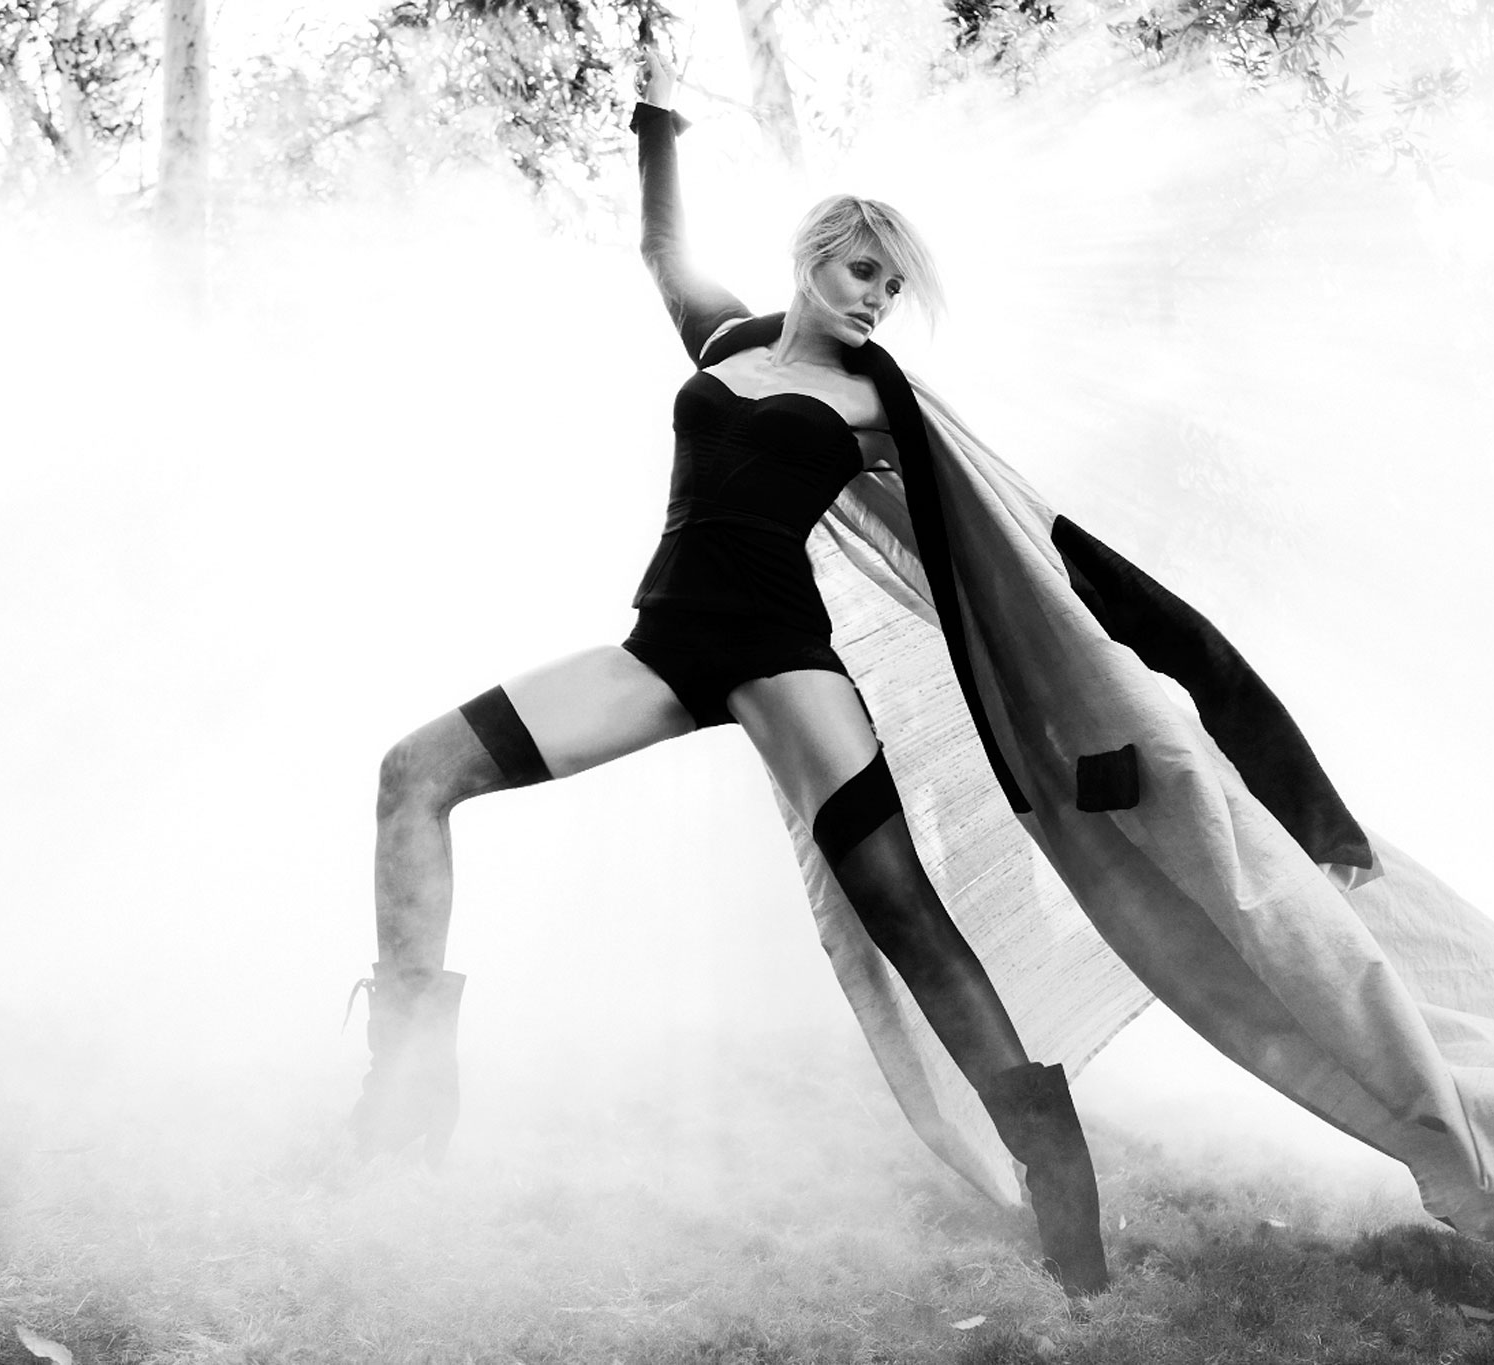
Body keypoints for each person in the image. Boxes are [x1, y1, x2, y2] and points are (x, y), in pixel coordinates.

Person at [349, 52, 1112, 1298]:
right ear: (813, 257)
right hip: (661, 649)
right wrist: (656, 117)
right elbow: (661, 249)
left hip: (781, 660)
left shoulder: (878, 406)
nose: (878, 300)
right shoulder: (726, 344)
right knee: (414, 773)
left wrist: (1101, 683)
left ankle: (1059, 1193)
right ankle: (407, 1090)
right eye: (864, 272)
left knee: (904, 914)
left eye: (893, 286)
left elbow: (1002, 543)